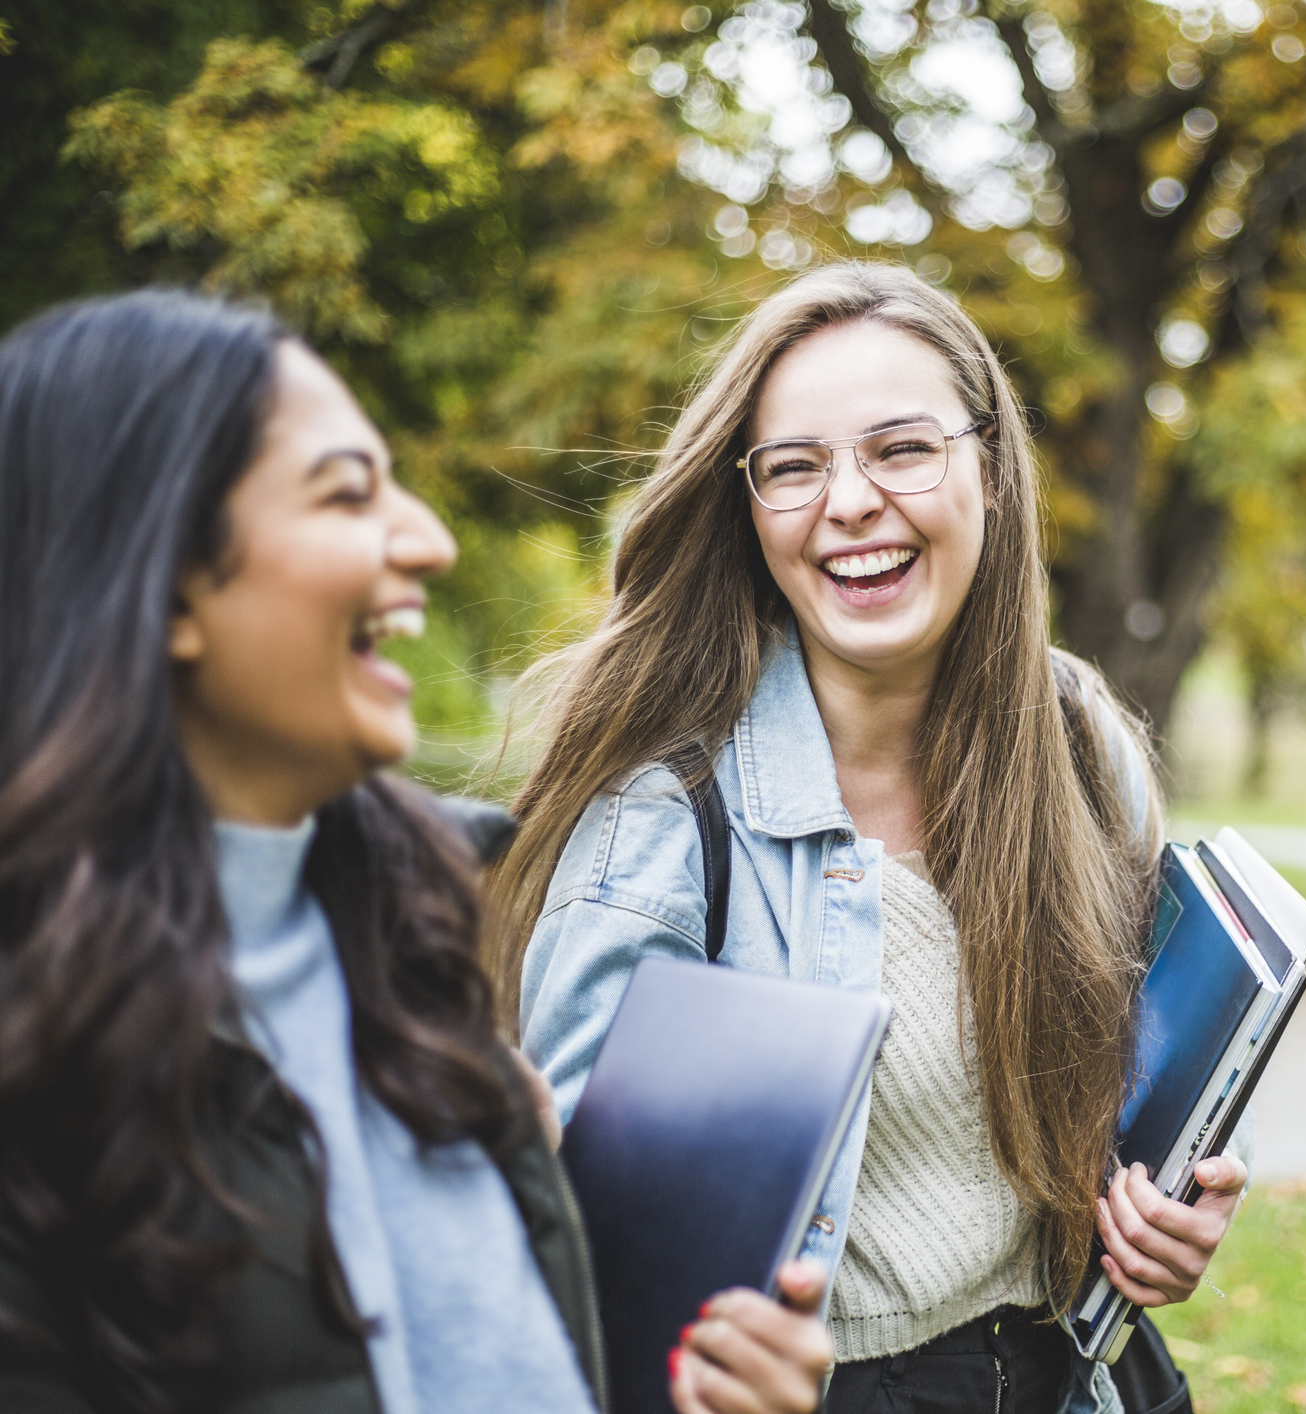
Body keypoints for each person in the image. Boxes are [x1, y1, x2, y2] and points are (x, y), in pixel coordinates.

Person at [0, 289, 832, 1414]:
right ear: (158, 578)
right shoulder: (37, 1060)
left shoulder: (413, 951)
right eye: (348, 493)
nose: (427, 540)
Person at [490, 262, 1250, 1414]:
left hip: (1090, 1383)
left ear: (988, 471)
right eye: (793, 467)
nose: (848, 501)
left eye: (900, 449)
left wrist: (1165, 1214)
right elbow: (569, 1271)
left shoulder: (1083, 745)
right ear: (750, 513)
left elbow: (1133, 1087)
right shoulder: (664, 821)